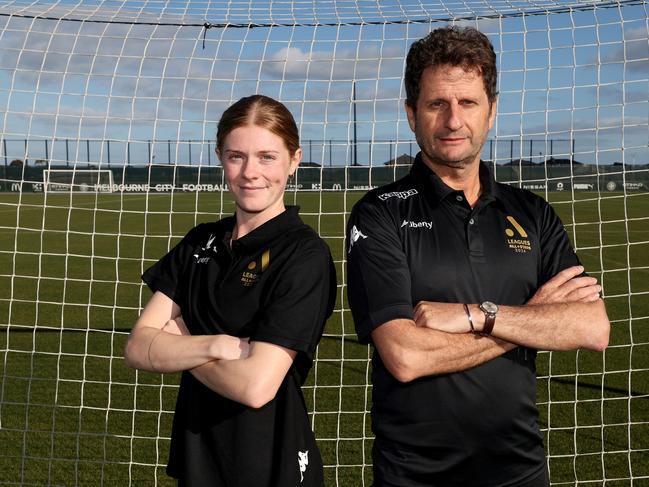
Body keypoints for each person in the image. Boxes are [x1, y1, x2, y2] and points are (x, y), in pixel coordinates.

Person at [346, 26, 610, 487]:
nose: (453, 121)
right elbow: (405, 355)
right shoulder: (380, 213)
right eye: (436, 104)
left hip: (520, 470)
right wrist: (528, 322)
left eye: (468, 103)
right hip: (414, 476)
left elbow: (592, 327)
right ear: (412, 114)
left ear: (491, 112)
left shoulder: (532, 213)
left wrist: (476, 315)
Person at [124, 94, 336, 487]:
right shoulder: (199, 242)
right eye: (237, 156)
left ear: (294, 159)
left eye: (267, 157)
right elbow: (137, 347)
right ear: (220, 157)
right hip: (198, 455)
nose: (250, 172)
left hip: (271, 462)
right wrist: (216, 344)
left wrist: (181, 341)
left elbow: (256, 386)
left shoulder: (304, 254)